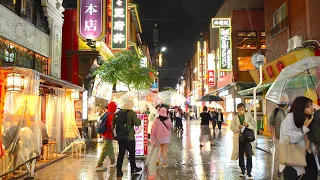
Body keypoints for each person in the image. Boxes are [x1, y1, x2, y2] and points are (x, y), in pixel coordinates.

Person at [280, 96, 318, 180]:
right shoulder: (290, 118)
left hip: (308, 155)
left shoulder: (311, 118)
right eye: (308, 106)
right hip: (293, 159)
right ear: (300, 108)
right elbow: (289, 139)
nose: (312, 108)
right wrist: (304, 127)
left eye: (312, 105)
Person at [113, 103, 142, 177]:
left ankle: (119, 171)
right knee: (132, 154)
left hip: (121, 137)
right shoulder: (131, 112)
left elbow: (113, 124)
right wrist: (138, 118)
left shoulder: (117, 113)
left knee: (121, 154)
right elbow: (137, 123)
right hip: (130, 138)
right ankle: (133, 168)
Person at [230, 103, 256, 179]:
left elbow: (254, 126)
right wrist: (238, 127)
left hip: (248, 139)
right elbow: (232, 127)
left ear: (244, 109)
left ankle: (249, 171)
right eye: (239, 109)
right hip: (239, 139)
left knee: (249, 155)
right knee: (240, 155)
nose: (240, 111)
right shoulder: (235, 118)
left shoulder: (249, 116)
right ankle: (242, 170)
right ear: (237, 110)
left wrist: (248, 125)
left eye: (242, 109)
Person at [269, 93, 289, 178]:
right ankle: (278, 173)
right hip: (278, 137)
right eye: (281, 101)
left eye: (284, 100)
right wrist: (272, 134)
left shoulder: (292, 110)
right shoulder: (276, 111)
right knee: (278, 157)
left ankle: (287, 172)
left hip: (290, 139)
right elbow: (271, 122)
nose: (282, 102)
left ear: (287, 101)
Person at [96, 102, 117, 171]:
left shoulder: (106, 113)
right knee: (105, 149)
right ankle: (99, 164)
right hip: (108, 134)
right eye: (115, 107)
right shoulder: (111, 115)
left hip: (104, 133)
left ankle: (113, 162)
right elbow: (112, 126)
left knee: (110, 148)